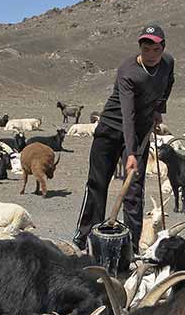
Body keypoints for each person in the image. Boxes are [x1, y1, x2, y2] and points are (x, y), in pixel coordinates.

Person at [73, 24, 175, 251]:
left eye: (156, 50)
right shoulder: (128, 71)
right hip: (110, 129)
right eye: (146, 49)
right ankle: (86, 237)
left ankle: (132, 245)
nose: (151, 55)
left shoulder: (167, 63)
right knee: (97, 183)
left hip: (139, 132)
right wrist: (130, 153)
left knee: (134, 190)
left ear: (163, 48)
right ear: (140, 48)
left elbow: (169, 83)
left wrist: (159, 108)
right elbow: (127, 114)